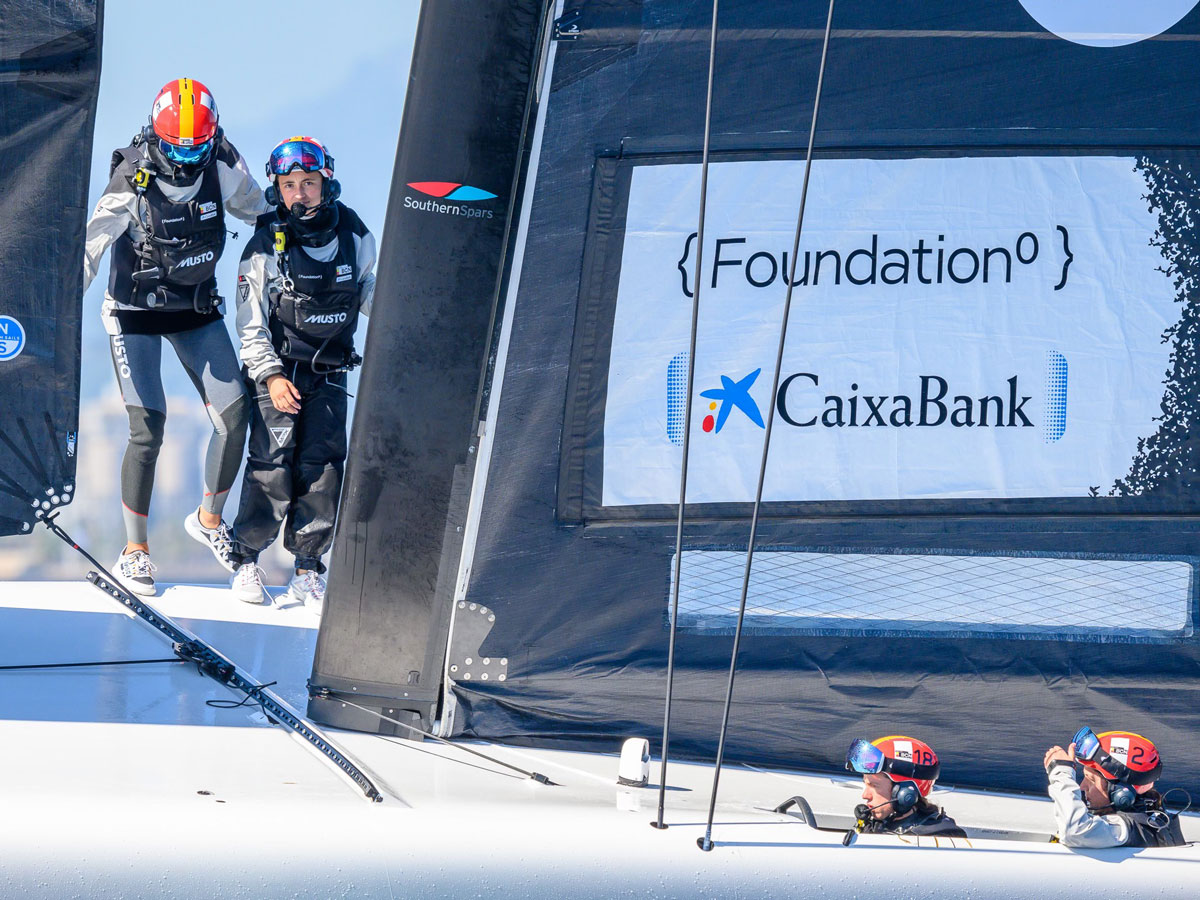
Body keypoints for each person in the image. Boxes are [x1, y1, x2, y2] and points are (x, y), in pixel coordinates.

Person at [83, 78, 270, 595]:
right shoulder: (131, 173)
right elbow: (90, 247)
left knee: (235, 416)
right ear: (156, 137)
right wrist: (46, 314)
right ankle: (135, 552)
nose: (185, 158)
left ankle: (209, 521)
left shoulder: (225, 164)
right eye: (174, 147)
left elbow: (260, 212)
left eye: (195, 147)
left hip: (193, 307)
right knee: (149, 427)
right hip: (132, 310)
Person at [227, 136, 376, 611]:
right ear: (277, 188)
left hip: (331, 373)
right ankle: (246, 558)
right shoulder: (263, 243)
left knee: (324, 470)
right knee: (272, 469)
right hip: (279, 375)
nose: (300, 194)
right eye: (289, 185)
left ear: (325, 182)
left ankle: (308, 571)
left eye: (308, 183)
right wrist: (270, 376)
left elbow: (374, 291)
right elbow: (249, 322)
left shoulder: (354, 232)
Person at [1043, 727, 1186, 848]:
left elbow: (1075, 831)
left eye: (1091, 780)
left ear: (1121, 794)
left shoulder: (1133, 829)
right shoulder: (1149, 820)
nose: (1083, 787)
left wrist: (1061, 774)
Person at [844, 735, 966, 838]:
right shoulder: (874, 825)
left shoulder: (939, 838)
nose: (865, 795)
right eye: (865, 784)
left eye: (874, 786)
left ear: (904, 792)